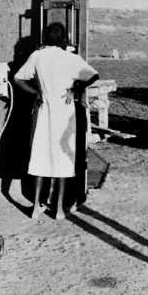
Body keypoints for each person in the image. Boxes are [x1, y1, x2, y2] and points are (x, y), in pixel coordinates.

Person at [14, 22, 99, 220]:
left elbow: (18, 79)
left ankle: (36, 206)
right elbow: (94, 75)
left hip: (44, 112)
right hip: (64, 113)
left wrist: (36, 93)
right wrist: (75, 89)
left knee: (40, 158)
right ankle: (59, 209)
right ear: (63, 39)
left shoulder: (37, 56)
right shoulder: (70, 58)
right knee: (63, 161)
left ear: (45, 37)